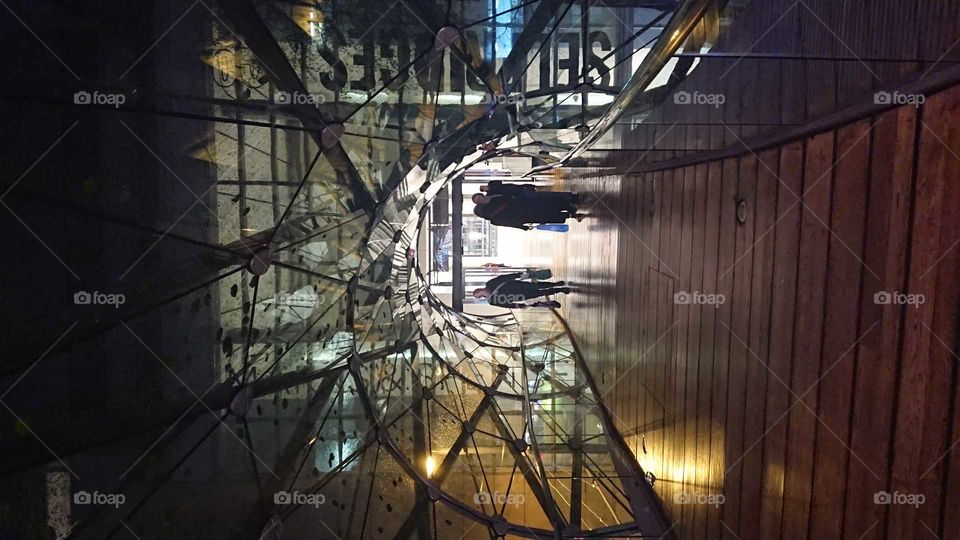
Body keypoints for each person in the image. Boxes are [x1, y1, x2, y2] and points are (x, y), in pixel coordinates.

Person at [472, 271, 570, 308]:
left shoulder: (490, 284)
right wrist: (518, 305)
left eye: (479, 295)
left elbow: (503, 278)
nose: (481, 297)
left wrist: (518, 275)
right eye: (479, 297)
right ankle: (560, 290)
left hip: (519, 286)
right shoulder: (492, 301)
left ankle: (555, 284)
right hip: (521, 296)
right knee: (541, 293)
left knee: (539, 286)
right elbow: (505, 305)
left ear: (480, 290)